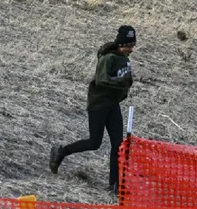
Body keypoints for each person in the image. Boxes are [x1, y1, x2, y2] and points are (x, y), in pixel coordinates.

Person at [49, 25, 136, 193]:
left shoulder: (125, 59)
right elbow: (101, 81)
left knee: (118, 146)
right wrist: (120, 84)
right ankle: (61, 152)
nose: (131, 49)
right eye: (129, 45)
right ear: (121, 44)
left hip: (113, 104)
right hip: (99, 104)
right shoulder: (108, 58)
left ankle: (114, 185)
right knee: (94, 142)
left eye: (132, 46)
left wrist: (124, 89)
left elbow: (126, 80)